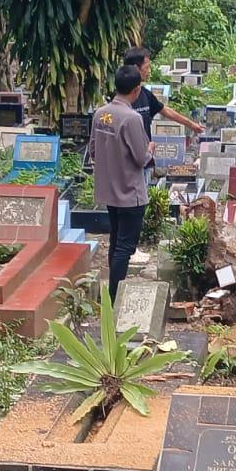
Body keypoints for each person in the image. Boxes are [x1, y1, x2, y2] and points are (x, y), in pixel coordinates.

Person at [92, 65, 154, 300]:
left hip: (110, 190)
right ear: (137, 89)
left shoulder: (100, 114)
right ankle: (114, 296)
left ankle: (111, 293)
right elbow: (141, 158)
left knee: (116, 240)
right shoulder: (131, 118)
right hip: (130, 193)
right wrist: (150, 149)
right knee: (125, 247)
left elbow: (94, 151)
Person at [123, 46, 205, 139]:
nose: (149, 71)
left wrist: (191, 125)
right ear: (136, 68)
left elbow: (165, 110)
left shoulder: (146, 95)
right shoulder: (119, 97)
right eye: (147, 67)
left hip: (144, 151)